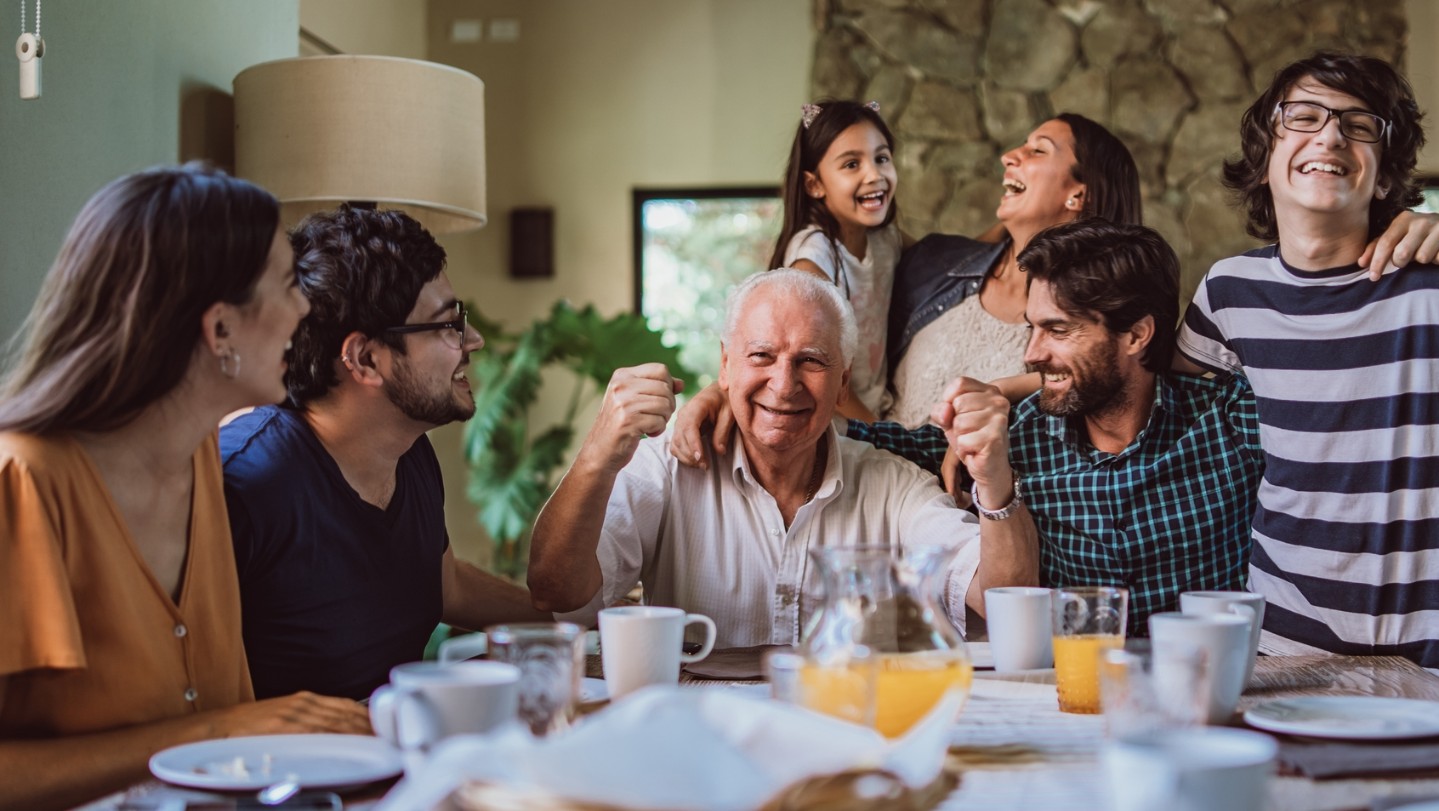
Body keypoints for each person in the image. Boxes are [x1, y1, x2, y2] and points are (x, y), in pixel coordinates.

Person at [0, 165, 369, 811]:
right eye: (288, 283)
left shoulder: (200, 452)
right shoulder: (22, 481)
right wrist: (216, 730)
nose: (305, 307)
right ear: (219, 328)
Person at [526, 270, 1029, 646]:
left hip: (845, 732)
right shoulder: (665, 466)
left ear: (842, 385)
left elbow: (1006, 605)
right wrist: (598, 455)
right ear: (725, 365)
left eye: (811, 360)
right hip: (696, 736)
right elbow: (557, 593)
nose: (784, 385)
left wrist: (994, 477)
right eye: (761, 356)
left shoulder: (892, 484)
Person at [221, 205, 550, 701]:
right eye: (448, 325)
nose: (473, 341)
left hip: (404, 754)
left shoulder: (409, 451)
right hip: (290, 771)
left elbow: (447, 588)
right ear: (366, 359)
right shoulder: (248, 480)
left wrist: (579, 620)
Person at [1174, 52, 1439, 668]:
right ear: (1266, 157)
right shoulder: (1227, 292)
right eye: (1304, 117)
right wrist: (1013, 386)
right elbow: (1142, 390)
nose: (1330, 135)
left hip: (1431, 659)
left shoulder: (1429, 283)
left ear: (1383, 175)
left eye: (1359, 123)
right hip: (1285, 646)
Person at [920, 219, 1264, 633]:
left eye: (1058, 330)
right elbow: (871, 444)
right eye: (1033, 327)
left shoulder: (1228, 420)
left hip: (1208, 685)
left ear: (1137, 335)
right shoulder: (1013, 436)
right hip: (1070, 692)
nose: (1032, 353)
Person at [771, 99, 904, 421]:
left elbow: (948, 260)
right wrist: (886, 439)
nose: (875, 174)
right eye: (851, 164)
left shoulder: (884, 239)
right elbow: (813, 372)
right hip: (830, 426)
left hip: (875, 416)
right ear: (814, 185)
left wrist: (1008, 228)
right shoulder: (814, 255)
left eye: (881, 158)